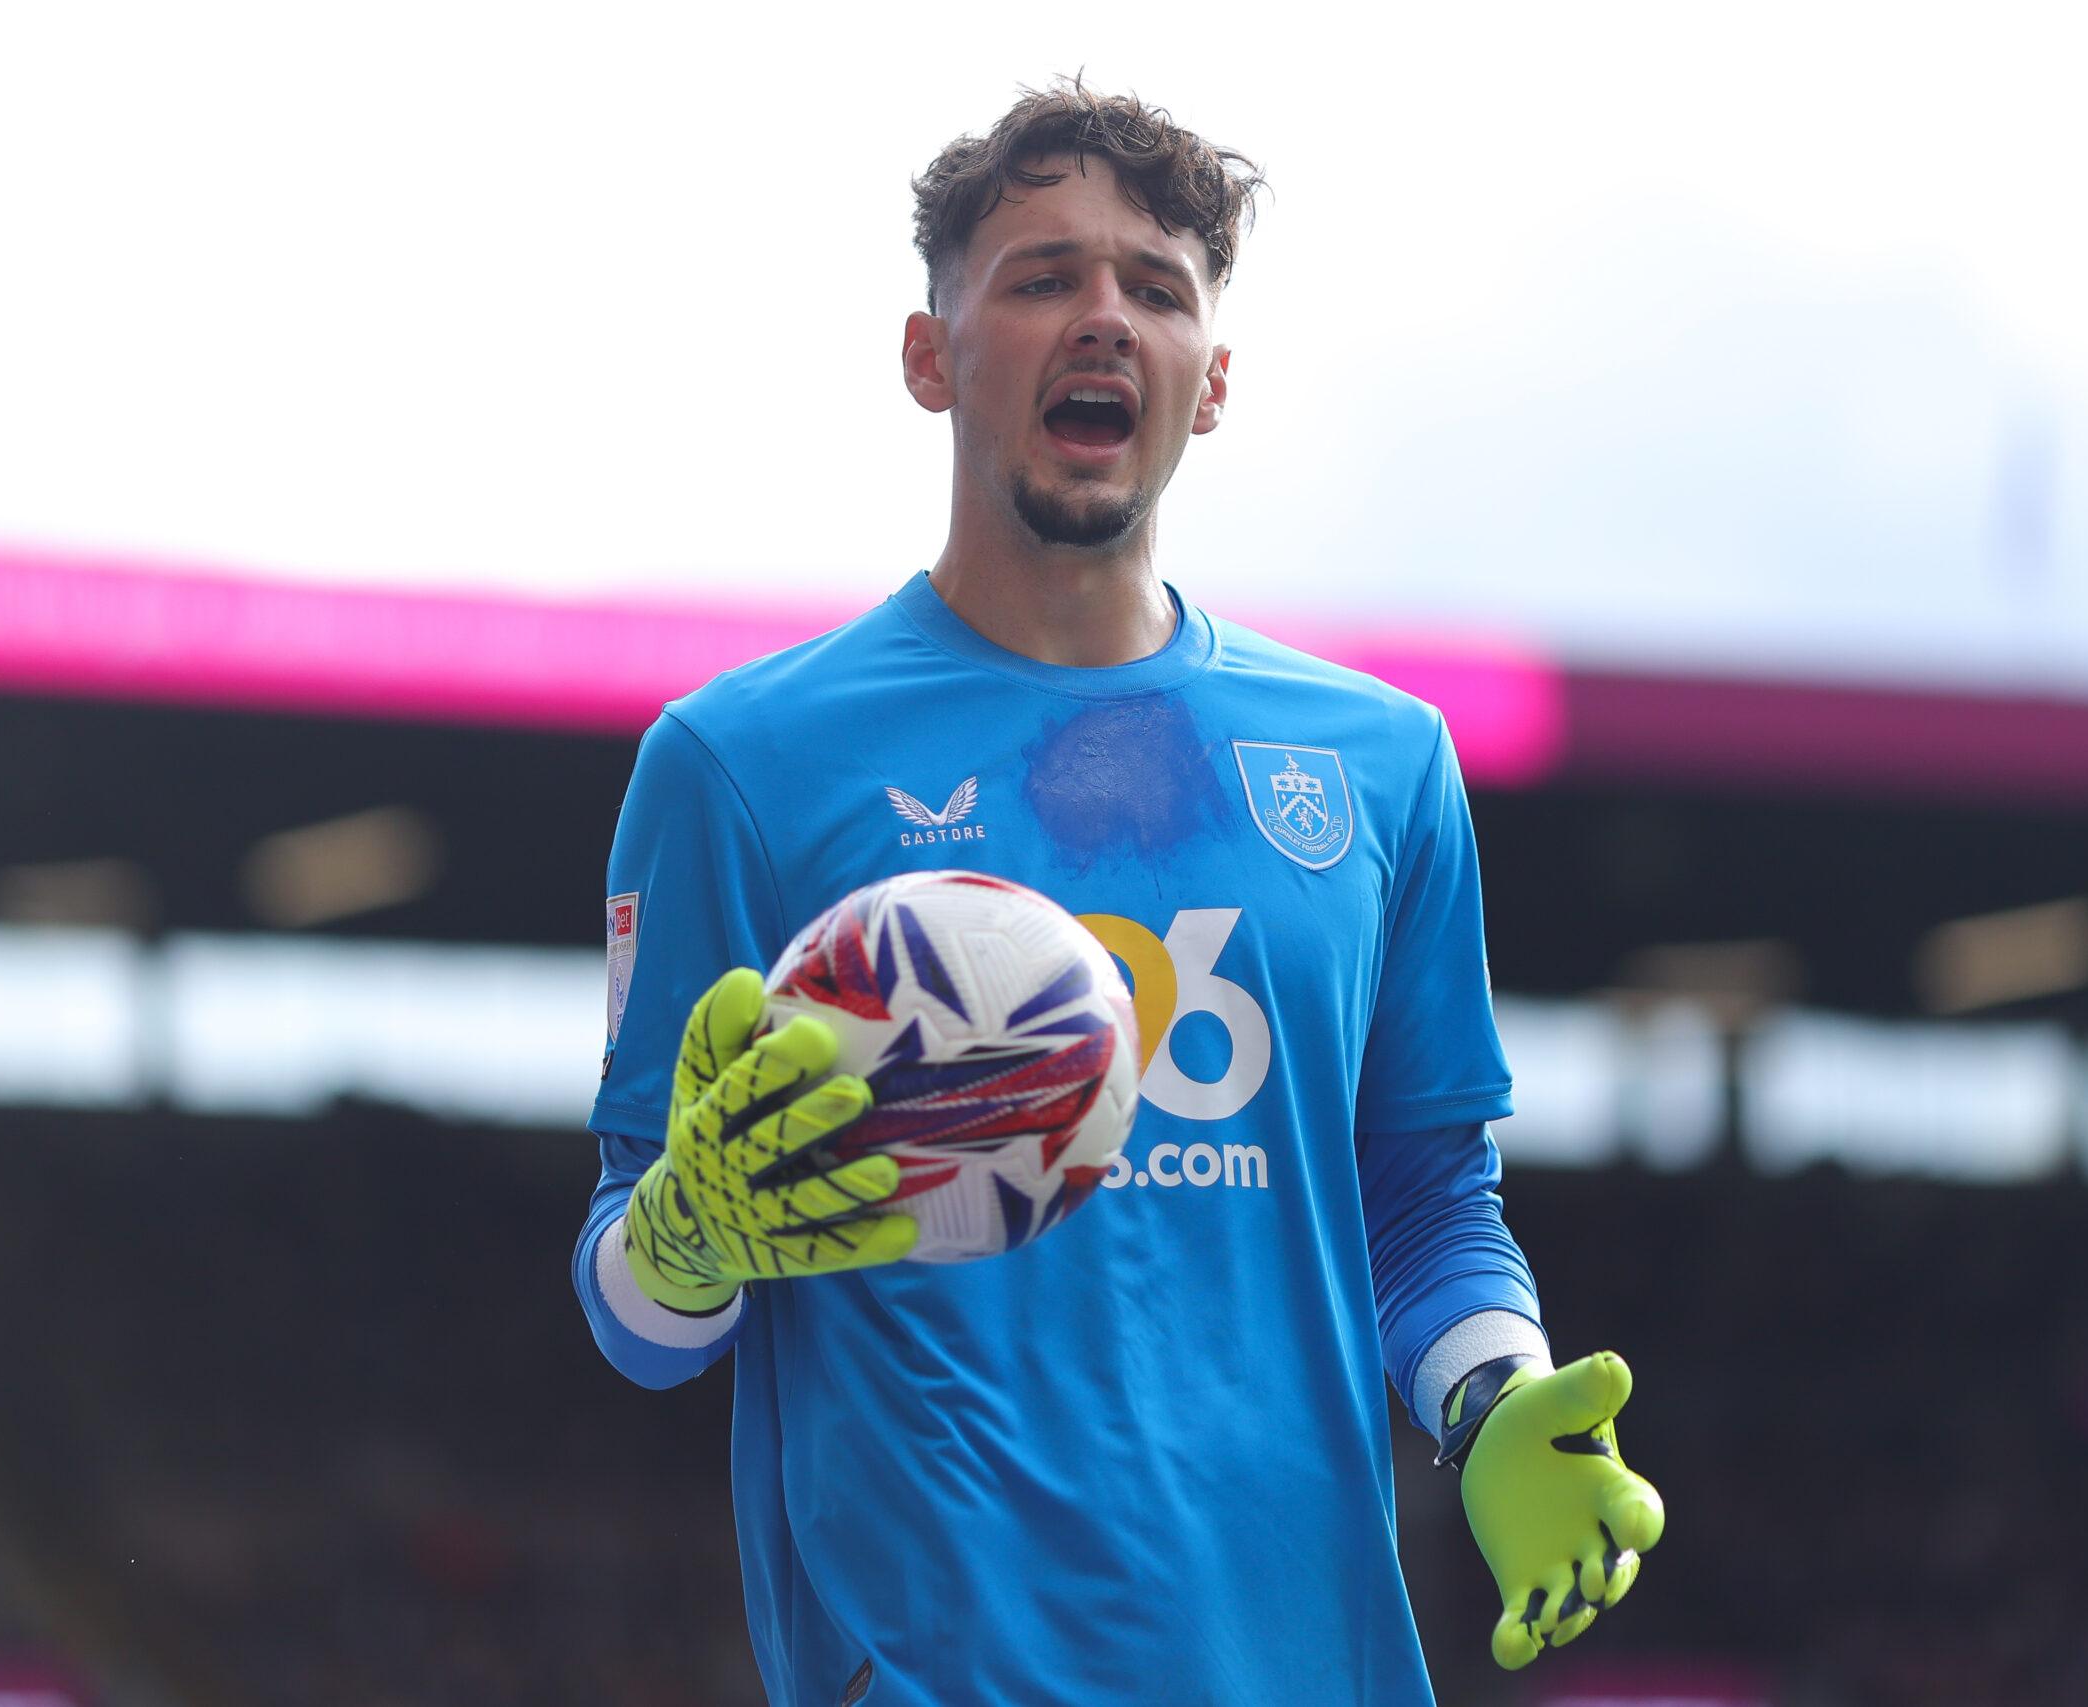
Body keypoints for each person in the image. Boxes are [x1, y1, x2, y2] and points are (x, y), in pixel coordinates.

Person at [573, 75, 1662, 1707]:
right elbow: (636, 1323)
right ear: (930, 357)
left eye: (1155, 288)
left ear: (1210, 380)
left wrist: (1496, 1397)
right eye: (1042, 278)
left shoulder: (1380, 768)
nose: (1104, 318)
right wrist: (684, 1237)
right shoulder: (740, 766)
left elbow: (1427, 1203)